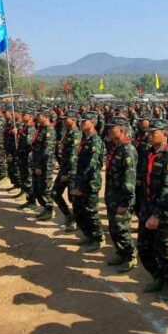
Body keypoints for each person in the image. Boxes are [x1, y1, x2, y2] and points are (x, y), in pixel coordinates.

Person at [137, 119, 168, 301]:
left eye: (154, 133)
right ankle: (158, 277)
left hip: (161, 213)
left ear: (164, 134)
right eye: (149, 132)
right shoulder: (148, 153)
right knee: (143, 248)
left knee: (163, 249)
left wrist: (156, 215)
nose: (150, 135)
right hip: (146, 208)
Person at [103, 117, 138, 272]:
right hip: (112, 196)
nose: (109, 131)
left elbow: (129, 180)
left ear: (122, 130)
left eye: (113, 129)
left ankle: (130, 256)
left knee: (121, 228)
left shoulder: (128, 150)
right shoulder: (116, 147)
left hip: (121, 198)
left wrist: (125, 203)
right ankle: (121, 252)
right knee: (113, 228)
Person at [71, 111, 105, 251]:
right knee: (79, 210)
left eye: (84, 121)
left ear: (92, 122)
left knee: (91, 211)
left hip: (90, 182)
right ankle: (88, 234)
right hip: (81, 180)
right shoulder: (85, 139)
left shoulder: (95, 141)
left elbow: (91, 166)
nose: (81, 123)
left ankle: (98, 238)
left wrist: (81, 186)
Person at [52, 110, 81, 229]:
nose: (63, 121)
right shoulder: (68, 132)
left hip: (71, 172)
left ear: (73, 119)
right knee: (55, 193)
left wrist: (67, 173)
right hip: (64, 169)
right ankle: (69, 216)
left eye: (66, 119)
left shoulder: (76, 134)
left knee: (73, 199)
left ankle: (77, 222)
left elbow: (74, 157)